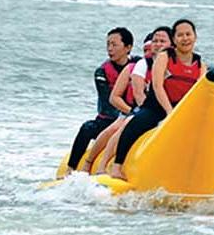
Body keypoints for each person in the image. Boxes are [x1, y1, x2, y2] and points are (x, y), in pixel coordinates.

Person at [109, 18, 203, 180]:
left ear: (195, 37)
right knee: (135, 124)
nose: (185, 38)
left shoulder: (200, 64)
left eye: (188, 34)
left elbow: (198, 95)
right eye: (180, 35)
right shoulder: (164, 57)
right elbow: (158, 86)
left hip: (181, 110)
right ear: (174, 40)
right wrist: (169, 112)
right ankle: (117, 166)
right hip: (156, 107)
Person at [83, 26, 170, 171]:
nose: (157, 45)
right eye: (155, 42)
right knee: (120, 127)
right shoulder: (141, 65)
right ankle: (98, 163)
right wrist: (144, 113)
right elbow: (138, 94)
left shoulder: (175, 64)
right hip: (139, 108)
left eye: (162, 41)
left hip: (164, 109)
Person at [67, 27, 136, 171]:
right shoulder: (102, 72)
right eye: (108, 44)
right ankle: (71, 168)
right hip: (108, 119)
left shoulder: (138, 66)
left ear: (128, 47)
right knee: (87, 128)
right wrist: (131, 113)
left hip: (131, 117)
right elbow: (108, 102)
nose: (110, 49)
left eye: (114, 45)